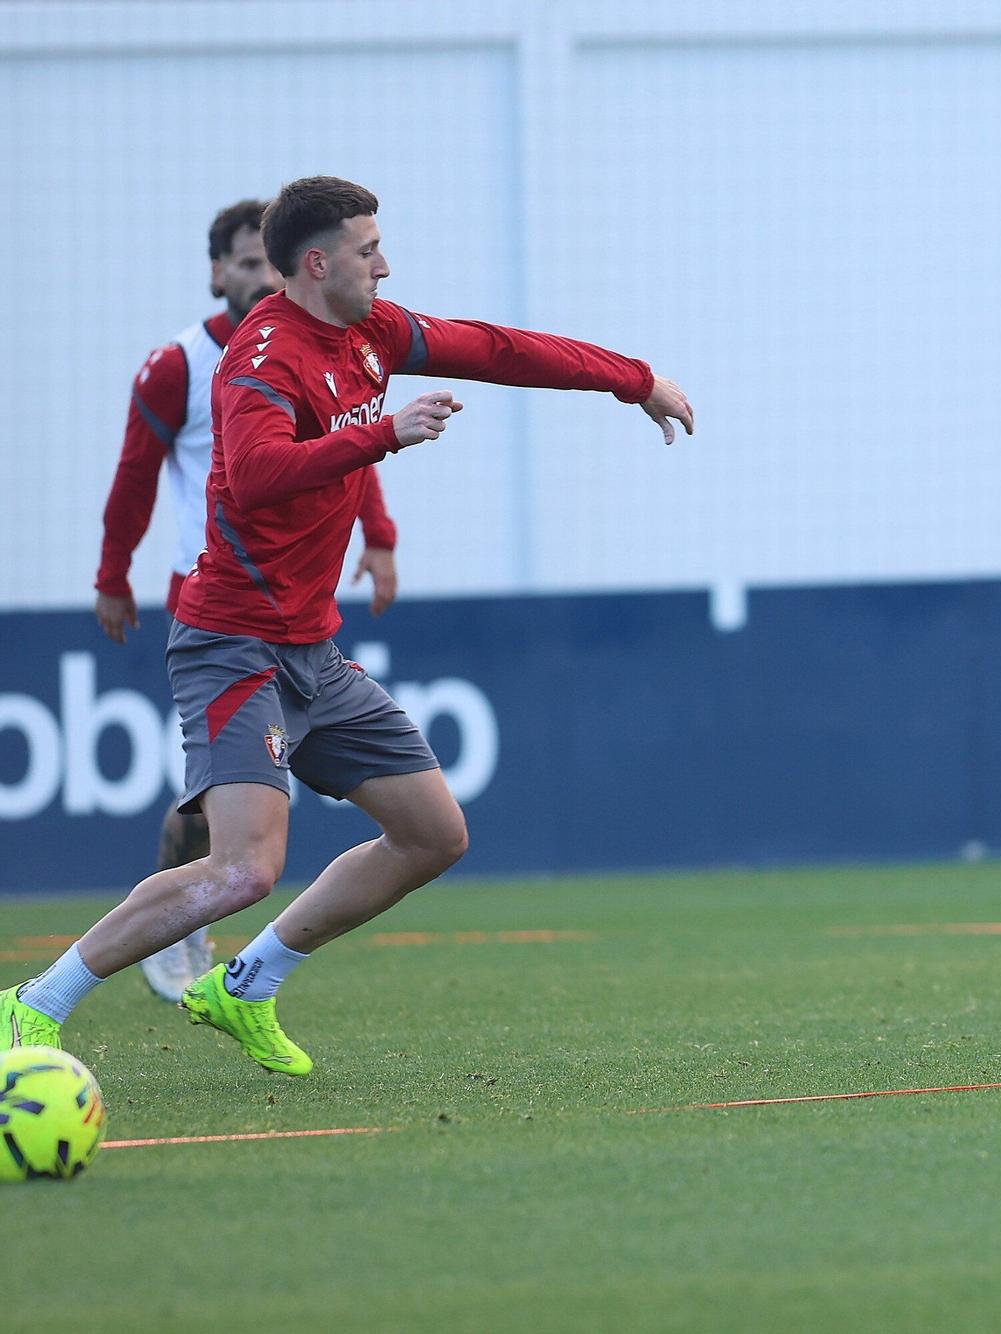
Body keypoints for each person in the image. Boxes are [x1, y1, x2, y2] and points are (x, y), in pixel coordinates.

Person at [4, 176, 693, 1071]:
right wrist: (384, 435)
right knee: (243, 869)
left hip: (310, 652)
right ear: (318, 262)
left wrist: (633, 380)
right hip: (231, 643)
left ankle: (245, 985)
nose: (386, 263)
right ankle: (34, 1002)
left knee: (434, 834)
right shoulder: (257, 358)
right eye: (370, 249)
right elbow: (254, 478)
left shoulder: (372, 330)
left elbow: (495, 347)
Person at [93, 198, 402, 1004]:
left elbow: (349, 446)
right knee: (210, 805)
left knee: (234, 809)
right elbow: (135, 477)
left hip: (295, 602)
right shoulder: (181, 366)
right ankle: (177, 926)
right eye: (242, 261)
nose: (257, 275)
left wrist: (380, 535)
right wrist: (111, 575)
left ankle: (216, 947)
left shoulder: (327, 347)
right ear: (216, 270)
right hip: (208, 595)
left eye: (266, 261)